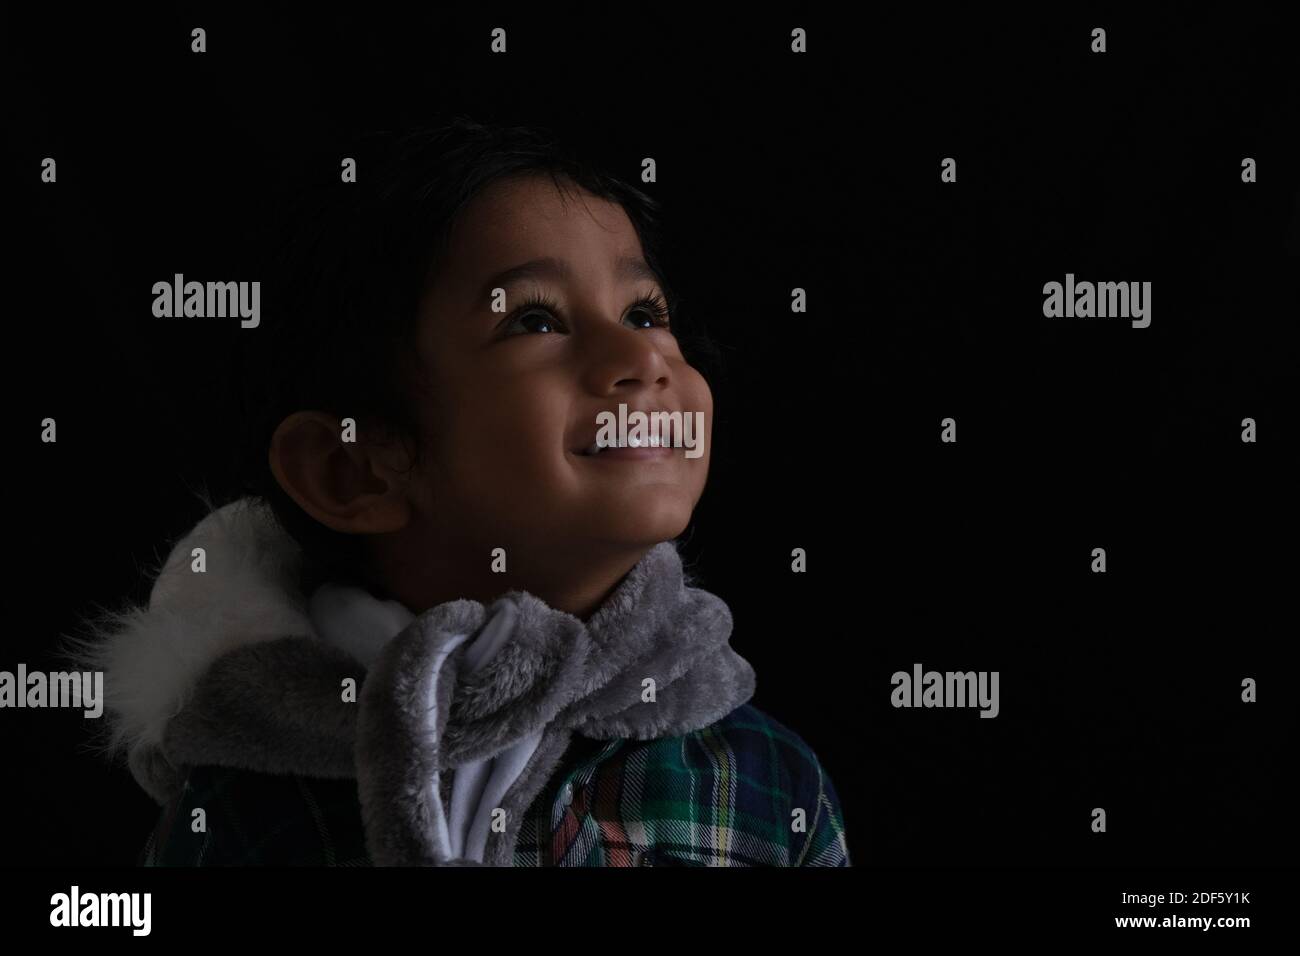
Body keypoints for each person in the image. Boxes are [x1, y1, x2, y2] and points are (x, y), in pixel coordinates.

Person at [66, 117, 851, 867]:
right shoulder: (250, 802)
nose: (640, 358)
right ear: (355, 470)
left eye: (643, 312)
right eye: (536, 321)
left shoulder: (761, 780)